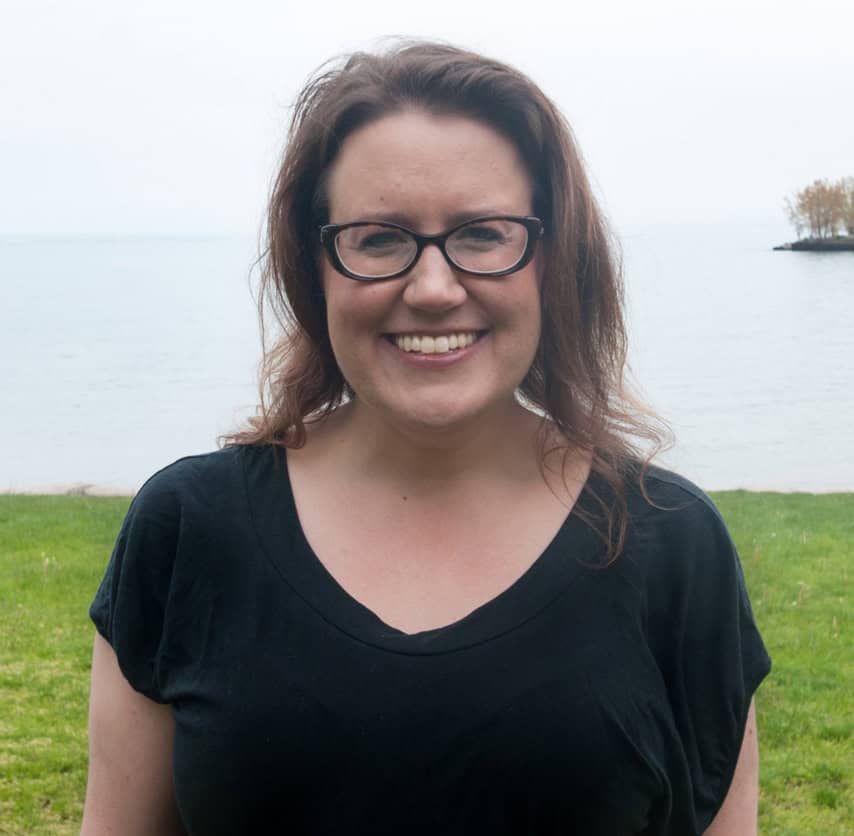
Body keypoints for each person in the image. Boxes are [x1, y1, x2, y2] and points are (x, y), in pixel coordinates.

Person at [81, 41, 770, 835]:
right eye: (378, 238)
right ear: (316, 264)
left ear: (552, 258)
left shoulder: (675, 546)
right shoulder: (186, 531)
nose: (434, 288)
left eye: (484, 234)